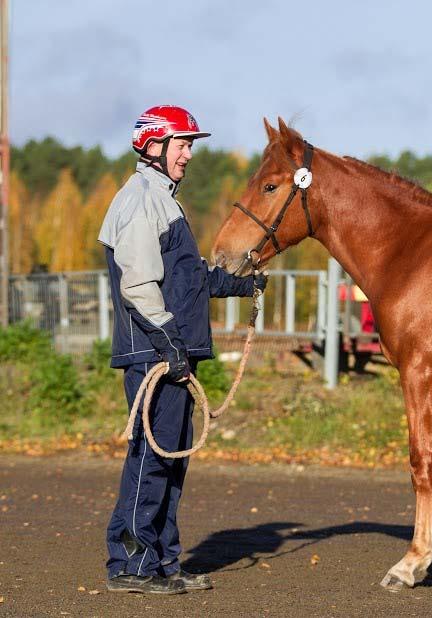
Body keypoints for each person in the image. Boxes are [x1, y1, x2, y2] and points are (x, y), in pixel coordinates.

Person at [97, 105, 267, 594]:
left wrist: (241, 286)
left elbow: (186, 279)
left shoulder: (164, 202)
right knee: (151, 461)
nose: (189, 154)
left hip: (171, 353)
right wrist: (169, 340)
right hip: (154, 353)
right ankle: (130, 565)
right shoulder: (139, 201)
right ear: (153, 145)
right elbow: (138, 282)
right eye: (182, 144)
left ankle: (164, 564)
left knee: (172, 462)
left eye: (190, 144)